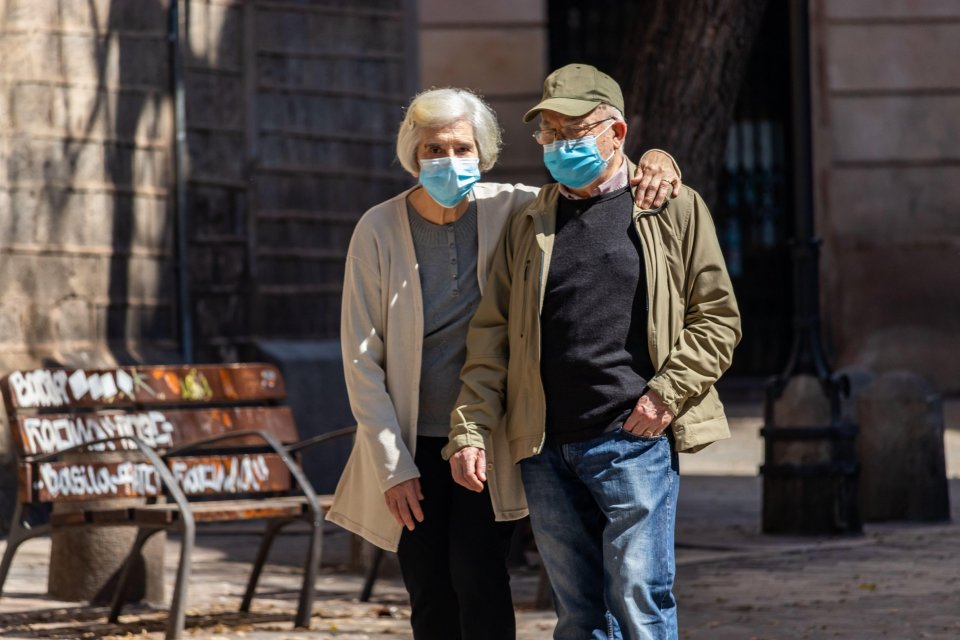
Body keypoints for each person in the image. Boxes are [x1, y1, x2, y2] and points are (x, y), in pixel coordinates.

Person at [325, 86, 682, 640]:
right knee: (428, 586)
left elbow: (598, 179)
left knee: (481, 577)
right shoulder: (377, 229)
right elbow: (360, 358)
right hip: (409, 443)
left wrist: (659, 159)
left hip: (486, 438)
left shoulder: (515, 207)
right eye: (433, 151)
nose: (448, 162)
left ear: (483, 152)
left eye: (462, 148)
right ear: (412, 155)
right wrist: (392, 465)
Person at [444, 64, 741, 640]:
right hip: (546, 446)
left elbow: (717, 318)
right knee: (577, 612)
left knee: (640, 599)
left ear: (617, 133)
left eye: (575, 130)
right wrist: (470, 428)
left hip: (632, 440)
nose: (560, 144)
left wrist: (665, 398)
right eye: (550, 133)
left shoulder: (671, 207)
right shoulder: (530, 220)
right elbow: (493, 336)